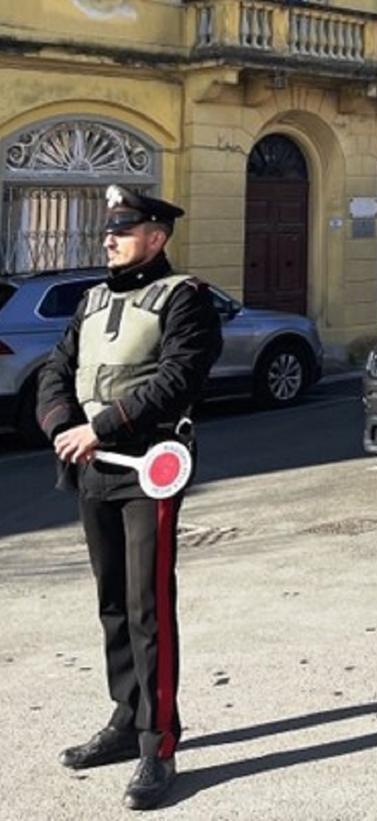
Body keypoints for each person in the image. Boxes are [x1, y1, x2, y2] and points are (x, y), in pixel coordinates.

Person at [35, 185, 222, 811]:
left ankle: (158, 743)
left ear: (157, 237)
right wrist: (63, 426)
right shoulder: (88, 300)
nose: (108, 238)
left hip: (148, 468)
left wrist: (103, 427)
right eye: (108, 230)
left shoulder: (186, 299)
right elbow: (56, 371)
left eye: (123, 228)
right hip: (90, 467)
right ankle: (124, 718)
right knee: (112, 601)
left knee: (148, 608)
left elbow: (178, 377)